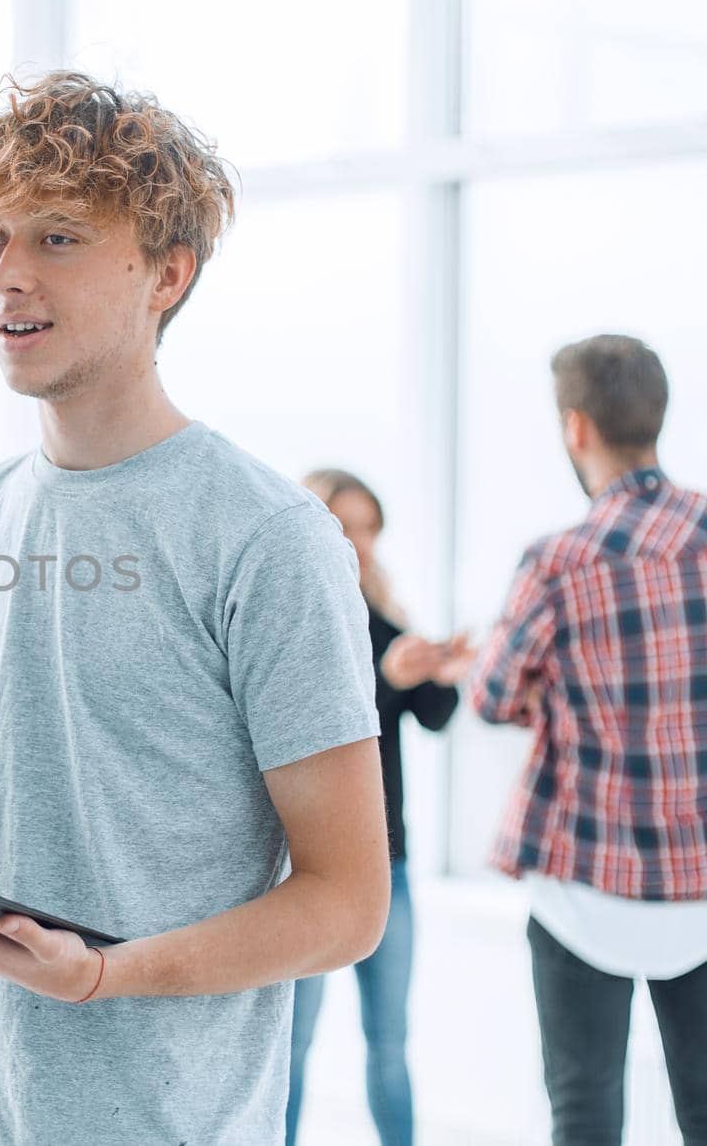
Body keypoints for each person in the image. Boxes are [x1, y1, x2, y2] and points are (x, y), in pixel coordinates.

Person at [0, 71, 391, 1145]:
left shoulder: (267, 537)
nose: (8, 277)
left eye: (61, 238)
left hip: (170, 1119)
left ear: (166, 272)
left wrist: (105, 977)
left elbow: (347, 901)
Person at [471, 334, 707, 1145]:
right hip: (705, 887)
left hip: (586, 885)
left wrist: (554, 689)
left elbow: (493, 696)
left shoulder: (559, 561)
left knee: (583, 1110)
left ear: (577, 428)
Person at [286, 469, 473, 1146]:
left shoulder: (384, 617)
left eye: (370, 528)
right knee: (292, 1043)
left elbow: (433, 716)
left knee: (390, 1042)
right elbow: (320, 722)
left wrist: (440, 673)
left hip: (388, 864)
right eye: (347, 526)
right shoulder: (296, 617)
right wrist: (385, 680)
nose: (361, 543)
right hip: (304, 871)